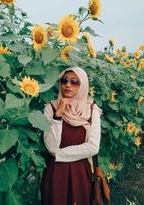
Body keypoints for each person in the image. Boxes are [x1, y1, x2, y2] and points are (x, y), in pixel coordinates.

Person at [41, 66, 102, 205]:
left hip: (80, 173)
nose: (68, 85)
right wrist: (58, 115)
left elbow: (93, 147)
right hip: (55, 173)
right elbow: (51, 146)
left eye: (74, 81)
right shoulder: (50, 108)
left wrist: (59, 154)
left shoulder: (92, 110)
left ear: (83, 86)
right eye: (64, 80)